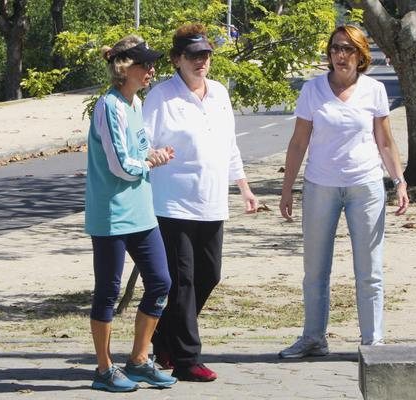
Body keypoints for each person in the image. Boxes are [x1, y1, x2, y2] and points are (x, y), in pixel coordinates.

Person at [278, 25, 409, 359]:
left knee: (369, 271)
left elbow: (385, 140)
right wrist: (287, 188)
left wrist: (399, 181)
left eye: (349, 49)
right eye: (336, 48)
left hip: (365, 187)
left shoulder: (375, 90)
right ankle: (313, 338)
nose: (341, 55)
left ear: (361, 54)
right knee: (315, 270)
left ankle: (372, 341)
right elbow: (298, 142)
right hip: (320, 186)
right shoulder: (312, 90)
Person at [142, 23, 258, 382]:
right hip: (171, 203)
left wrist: (244, 185)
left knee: (209, 274)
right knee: (184, 281)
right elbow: (141, 143)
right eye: (193, 55)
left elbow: (230, 145)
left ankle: (163, 338)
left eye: (206, 54)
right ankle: (187, 359)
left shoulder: (220, 93)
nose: (201, 61)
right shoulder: (161, 96)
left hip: (211, 201)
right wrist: (153, 155)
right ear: (177, 59)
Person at [84, 34, 177, 392]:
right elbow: (120, 164)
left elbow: (134, 151)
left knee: (161, 282)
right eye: (145, 64)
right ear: (126, 68)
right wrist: (149, 161)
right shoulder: (108, 106)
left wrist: (153, 153)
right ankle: (104, 369)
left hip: (140, 210)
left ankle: (138, 359)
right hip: (111, 214)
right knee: (107, 291)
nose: (152, 69)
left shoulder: (134, 102)